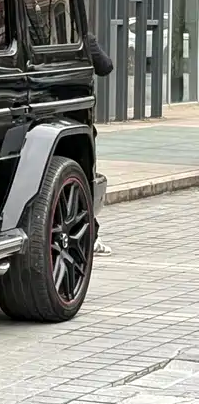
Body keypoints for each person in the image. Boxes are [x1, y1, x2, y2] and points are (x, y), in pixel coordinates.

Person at [86, 32, 113, 256]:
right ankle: (91, 236)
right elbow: (105, 66)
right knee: (85, 176)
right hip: (74, 117)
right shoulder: (82, 37)